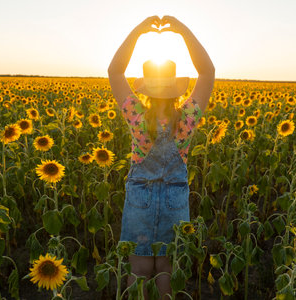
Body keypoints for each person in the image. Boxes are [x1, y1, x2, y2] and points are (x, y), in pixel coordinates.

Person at [108, 15, 215, 299]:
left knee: (138, 276)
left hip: (139, 205)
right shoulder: (186, 120)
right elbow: (207, 72)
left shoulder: (137, 117)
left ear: (146, 89)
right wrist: (182, 31)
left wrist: (138, 32)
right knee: (167, 277)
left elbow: (115, 72)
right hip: (174, 205)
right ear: (176, 88)